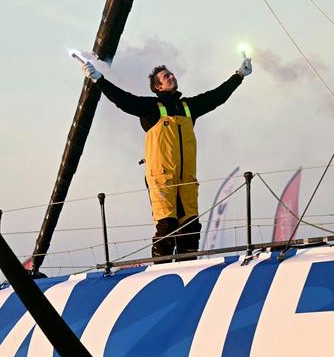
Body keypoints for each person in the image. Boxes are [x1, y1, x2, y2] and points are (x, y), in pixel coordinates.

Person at [80, 55, 252, 260]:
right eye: (165, 76)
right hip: (162, 180)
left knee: (191, 227)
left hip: (187, 179)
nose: (171, 76)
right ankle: (160, 266)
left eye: (171, 74)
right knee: (167, 226)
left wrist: (239, 75)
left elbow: (217, 97)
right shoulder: (151, 108)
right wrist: (99, 79)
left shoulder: (188, 106)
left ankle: (189, 266)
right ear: (157, 87)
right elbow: (123, 100)